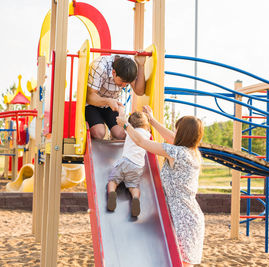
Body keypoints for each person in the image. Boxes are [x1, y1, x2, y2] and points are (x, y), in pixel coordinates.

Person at [116, 106, 205, 267]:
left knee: (181, 262)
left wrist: (125, 125)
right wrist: (152, 120)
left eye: (177, 130)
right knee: (179, 261)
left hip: (182, 217)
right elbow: (171, 137)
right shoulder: (192, 151)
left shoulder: (175, 152)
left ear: (182, 133)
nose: (174, 132)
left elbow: (141, 142)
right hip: (188, 214)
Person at [85, 54, 146, 140]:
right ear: (114, 72)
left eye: (127, 83)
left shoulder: (128, 67)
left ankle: (112, 138)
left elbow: (139, 91)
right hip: (92, 104)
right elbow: (90, 97)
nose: (124, 86)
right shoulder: (100, 66)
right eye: (122, 82)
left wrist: (141, 65)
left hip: (110, 105)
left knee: (120, 134)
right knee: (99, 133)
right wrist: (108, 101)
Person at [106, 111, 151, 217]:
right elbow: (149, 132)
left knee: (113, 180)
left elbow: (122, 129)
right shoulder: (147, 134)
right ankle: (135, 198)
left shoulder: (130, 131)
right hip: (138, 166)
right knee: (133, 186)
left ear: (131, 124)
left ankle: (112, 192)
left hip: (125, 161)